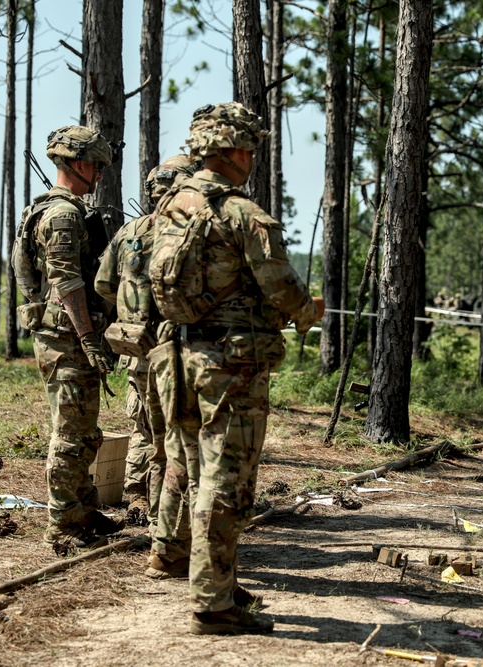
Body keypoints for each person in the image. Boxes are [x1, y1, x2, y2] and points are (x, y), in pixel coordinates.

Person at [148, 102, 323, 635]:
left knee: (195, 469)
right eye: (248, 148)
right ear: (229, 151)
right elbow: (282, 288)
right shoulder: (244, 214)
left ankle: (207, 575)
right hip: (230, 365)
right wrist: (306, 311)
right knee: (225, 480)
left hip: (176, 358)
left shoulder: (171, 205)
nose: (252, 157)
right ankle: (212, 604)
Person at [15, 125, 122, 549]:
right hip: (67, 337)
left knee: (85, 429)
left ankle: (83, 507)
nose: (98, 175)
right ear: (78, 164)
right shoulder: (63, 215)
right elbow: (67, 281)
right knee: (71, 433)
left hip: (65, 334)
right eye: (95, 167)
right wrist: (89, 337)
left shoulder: (59, 209)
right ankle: (62, 523)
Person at [94, 154, 200, 535]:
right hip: (179, 354)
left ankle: (141, 497)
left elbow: (103, 285)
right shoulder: (192, 231)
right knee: (179, 438)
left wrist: (132, 313)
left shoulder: (130, 232)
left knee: (145, 428)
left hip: (138, 352)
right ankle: (166, 518)